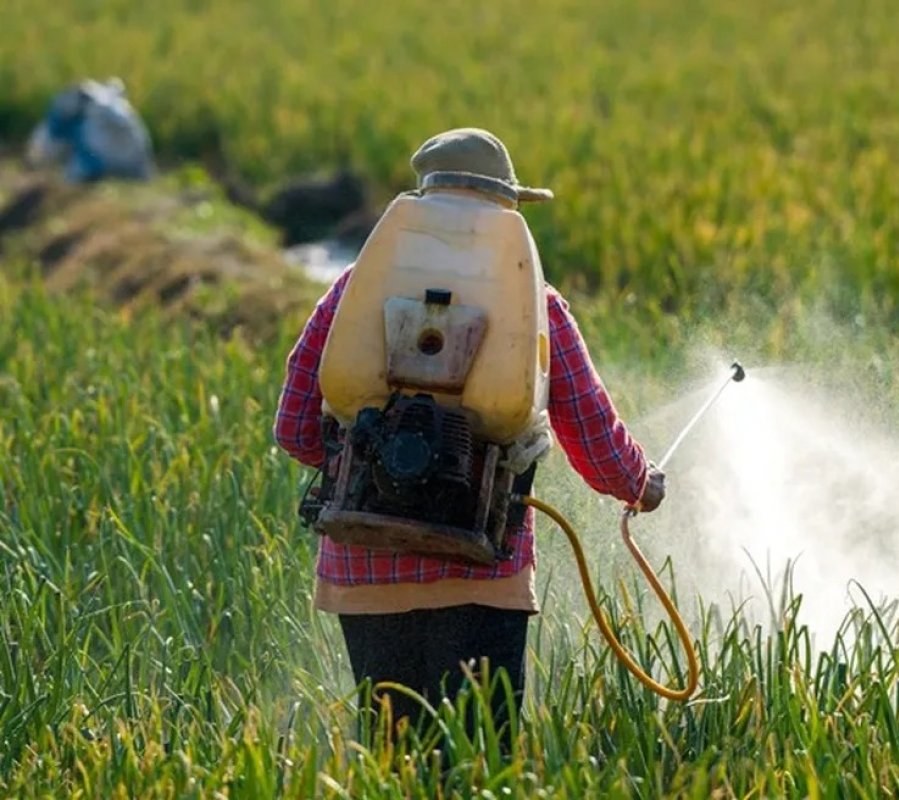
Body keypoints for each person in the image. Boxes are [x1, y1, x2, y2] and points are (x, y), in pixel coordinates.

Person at [274, 128, 666, 743]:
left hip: (363, 570)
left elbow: (295, 429)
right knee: (481, 760)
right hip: (483, 569)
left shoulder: (355, 291)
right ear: (506, 209)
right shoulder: (535, 304)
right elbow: (592, 431)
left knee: (393, 763)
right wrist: (640, 485)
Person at [25, 78, 154, 182]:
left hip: (102, 165)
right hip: (133, 167)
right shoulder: (115, 108)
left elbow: (48, 141)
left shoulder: (92, 113)